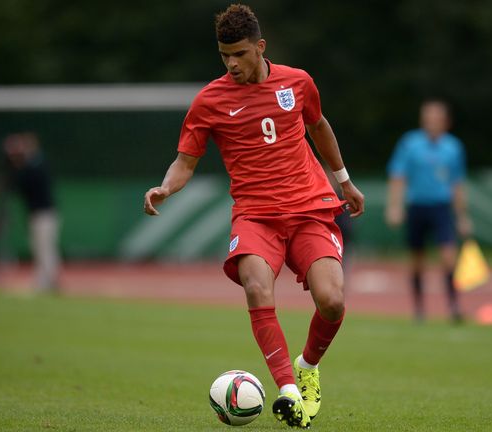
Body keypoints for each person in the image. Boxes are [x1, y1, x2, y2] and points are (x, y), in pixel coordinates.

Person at [143, 5, 364, 429]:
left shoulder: (297, 83)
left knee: (333, 302)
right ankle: (288, 392)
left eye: (240, 54)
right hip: (256, 216)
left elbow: (319, 127)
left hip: (309, 210)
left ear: (260, 48)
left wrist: (344, 181)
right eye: (224, 55)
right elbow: (184, 162)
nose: (232, 63)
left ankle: (308, 367)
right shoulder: (210, 100)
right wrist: (165, 188)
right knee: (257, 285)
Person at [385, 99, 472, 323]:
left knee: (448, 258)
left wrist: (462, 216)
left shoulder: (453, 147)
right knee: (417, 260)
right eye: (428, 117)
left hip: (441, 207)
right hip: (417, 207)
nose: (432, 122)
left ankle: (453, 306)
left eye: (436, 118)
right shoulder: (410, 143)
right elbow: (398, 176)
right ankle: (419, 309)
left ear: (445, 122)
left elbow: (457, 184)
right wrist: (395, 206)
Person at [0, 132, 61, 292]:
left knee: (45, 247)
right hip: (38, 213)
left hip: (45, 213)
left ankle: (47, 281)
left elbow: (25, 181)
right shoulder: (32, 164)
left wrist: (17, 164)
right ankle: (45, 280)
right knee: (40, 247)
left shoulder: (37, 164)